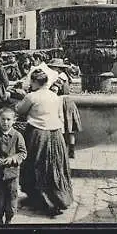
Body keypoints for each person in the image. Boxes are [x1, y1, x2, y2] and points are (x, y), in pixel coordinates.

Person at [15, 69, 73, 217]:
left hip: (38, 133)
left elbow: (20, 110)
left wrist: (18, 100)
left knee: (36, 164)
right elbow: (59, 115)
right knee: (55, 166)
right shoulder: (54, 96)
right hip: (55, 134)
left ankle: (40, 199)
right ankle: (58, 198)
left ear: (35, 82)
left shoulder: (31, 96)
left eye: (31, 82)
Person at [0, 107, 27, 225]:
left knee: (11, 198)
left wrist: (13, 158)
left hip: (12, 174)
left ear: (14, 120)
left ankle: (9, 219)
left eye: (8, 119)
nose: (5, 122)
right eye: (3, 119)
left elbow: (23, 153)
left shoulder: (17, 136)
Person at [50, 82, 82, 159]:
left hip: (61, 102)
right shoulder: (65, 80)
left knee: (63, 130)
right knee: (71, 130)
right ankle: (71, 151)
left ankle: (64, 151)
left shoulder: (58, 81)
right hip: (69, 103)